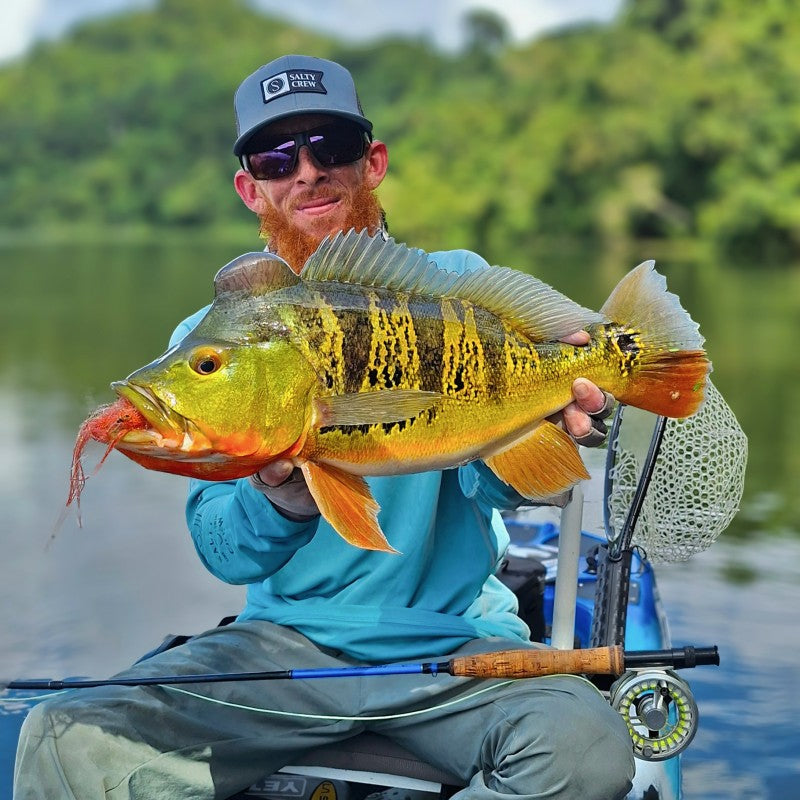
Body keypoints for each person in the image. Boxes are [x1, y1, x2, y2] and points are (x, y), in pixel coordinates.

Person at [14, 55, 634, 799]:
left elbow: (496, 487)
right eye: (277, 158)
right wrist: (283, 497)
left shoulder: (454, 290)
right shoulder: (210, 334)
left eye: (330, 147)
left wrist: (553, 424)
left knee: (588, 752)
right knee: (61, 741)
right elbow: (223, 549)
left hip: (456, 645)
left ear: (372, 163)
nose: (307, 172)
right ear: (251, 188)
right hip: (284, 650)